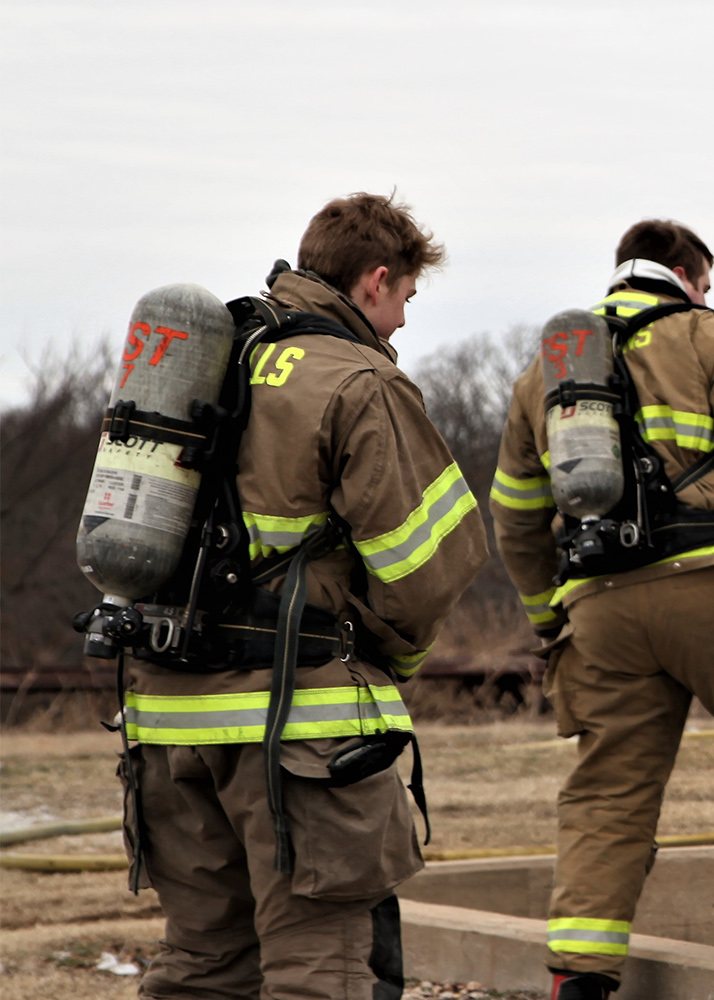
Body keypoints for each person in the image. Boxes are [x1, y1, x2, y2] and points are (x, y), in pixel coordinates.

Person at [121, 193, 485, 999]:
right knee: (319, 961)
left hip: (167, 721)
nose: (401, 326)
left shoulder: (212, 357)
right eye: (405, 302)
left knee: (203, 960)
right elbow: (431, 565)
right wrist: (395, 657)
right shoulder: (358, 382)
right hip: (297, 733)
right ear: (375, 281)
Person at [488, 220, 714, 1000]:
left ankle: (578, 975)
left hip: (599, 610)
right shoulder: (713, 341)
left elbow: (516, 516)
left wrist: (549, 621)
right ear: (687, 274)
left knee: (607, 790)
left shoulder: (545, 376)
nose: (709, 297)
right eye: (708, 285)